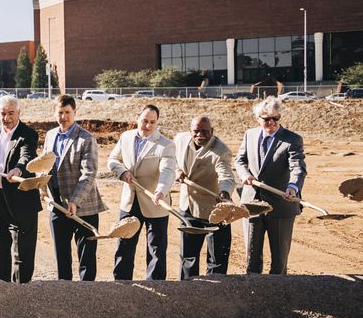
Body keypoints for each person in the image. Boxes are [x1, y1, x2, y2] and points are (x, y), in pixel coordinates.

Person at [235, 96, 306, 275]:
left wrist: (293, 187)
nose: (271, 122)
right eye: (266, 119)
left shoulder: (292, 139)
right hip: (252, 203)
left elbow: (298, 167)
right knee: (252, 256)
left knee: (279, 259)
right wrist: (244, 174)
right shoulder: (249, 135)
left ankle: (279, 295)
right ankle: (253, 291)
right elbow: (240, 160)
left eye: (275, 118)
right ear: (258, 118)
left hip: (281, 204)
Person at [0, 95, 41, 283]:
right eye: (3, 114)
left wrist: (18, 168)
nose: (7, 118)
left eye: (11, 113)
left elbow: (27, 156)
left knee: (23, 253)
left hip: (22, 201)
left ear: (19, 112)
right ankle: (1, 289)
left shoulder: (28, 134)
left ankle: (20, 293)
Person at [108, 104, 176, 280]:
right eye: (145, 120)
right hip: (129, 201)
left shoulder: (166, 145)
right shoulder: (126, 137)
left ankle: (156, 285)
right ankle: (121, 282)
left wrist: (161, 190)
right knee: (124, 244)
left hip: (156, 202)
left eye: (152, 122)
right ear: (137, 117)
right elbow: (113, 159)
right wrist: (122, 172)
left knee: (156, 248)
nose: (148, 125)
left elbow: (167, 171)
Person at [44, 95, 105, 281]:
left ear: (74, 113)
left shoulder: (86, 138)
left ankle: (86, 294)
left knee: (86, 257)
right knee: (62, 256)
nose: (64, 117)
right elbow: (44, 165)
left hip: (84, 207)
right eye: (60, 113)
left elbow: (89, 173)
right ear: (55, 113)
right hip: (57, 205)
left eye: (67, 112)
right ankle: (64, 293)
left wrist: (75, 201)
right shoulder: (50, 135)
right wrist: (40, 186)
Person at [173, 114, 235, 278]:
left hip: (214, 210)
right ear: (190, 130)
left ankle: (214, 293)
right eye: (196, 131)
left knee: (216, 259)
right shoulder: (180, 139)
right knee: (188, 256)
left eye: (205, 132)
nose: (200, 135)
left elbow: (226, 175)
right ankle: (187, 292)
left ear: (212, 131)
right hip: (188, 207)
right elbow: (171, 159)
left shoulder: (221, 151)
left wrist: (225, 192)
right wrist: (177, 170)